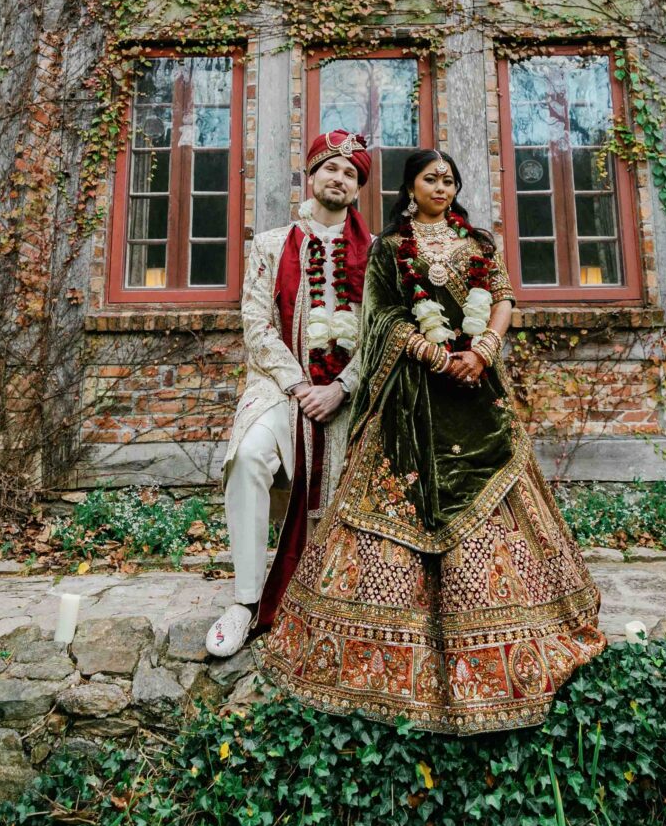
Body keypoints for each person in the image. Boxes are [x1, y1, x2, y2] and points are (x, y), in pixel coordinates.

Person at [260, 148, 607, 734]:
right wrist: (432, 353)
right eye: (430, 179)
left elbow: (503, 298)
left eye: (450, 179)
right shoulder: (390, 250)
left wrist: (483, 351)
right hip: (410, 400)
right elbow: (384, 319)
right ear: (410, 187)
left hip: (476, 390)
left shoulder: (480, 244)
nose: (442, 187)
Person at [204, 130, 373, 659]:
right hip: (281, 387)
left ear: (358, 187)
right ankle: (246, 599)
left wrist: (342, 387)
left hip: (354, 392)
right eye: (331, 169)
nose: (339, 179)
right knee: (249, 456)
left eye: (351, 173)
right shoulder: (271, 244)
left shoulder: (378, 254)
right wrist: (300, 385)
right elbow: (255, 323)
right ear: (312, 174)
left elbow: (385, 330)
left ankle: (339, 591)